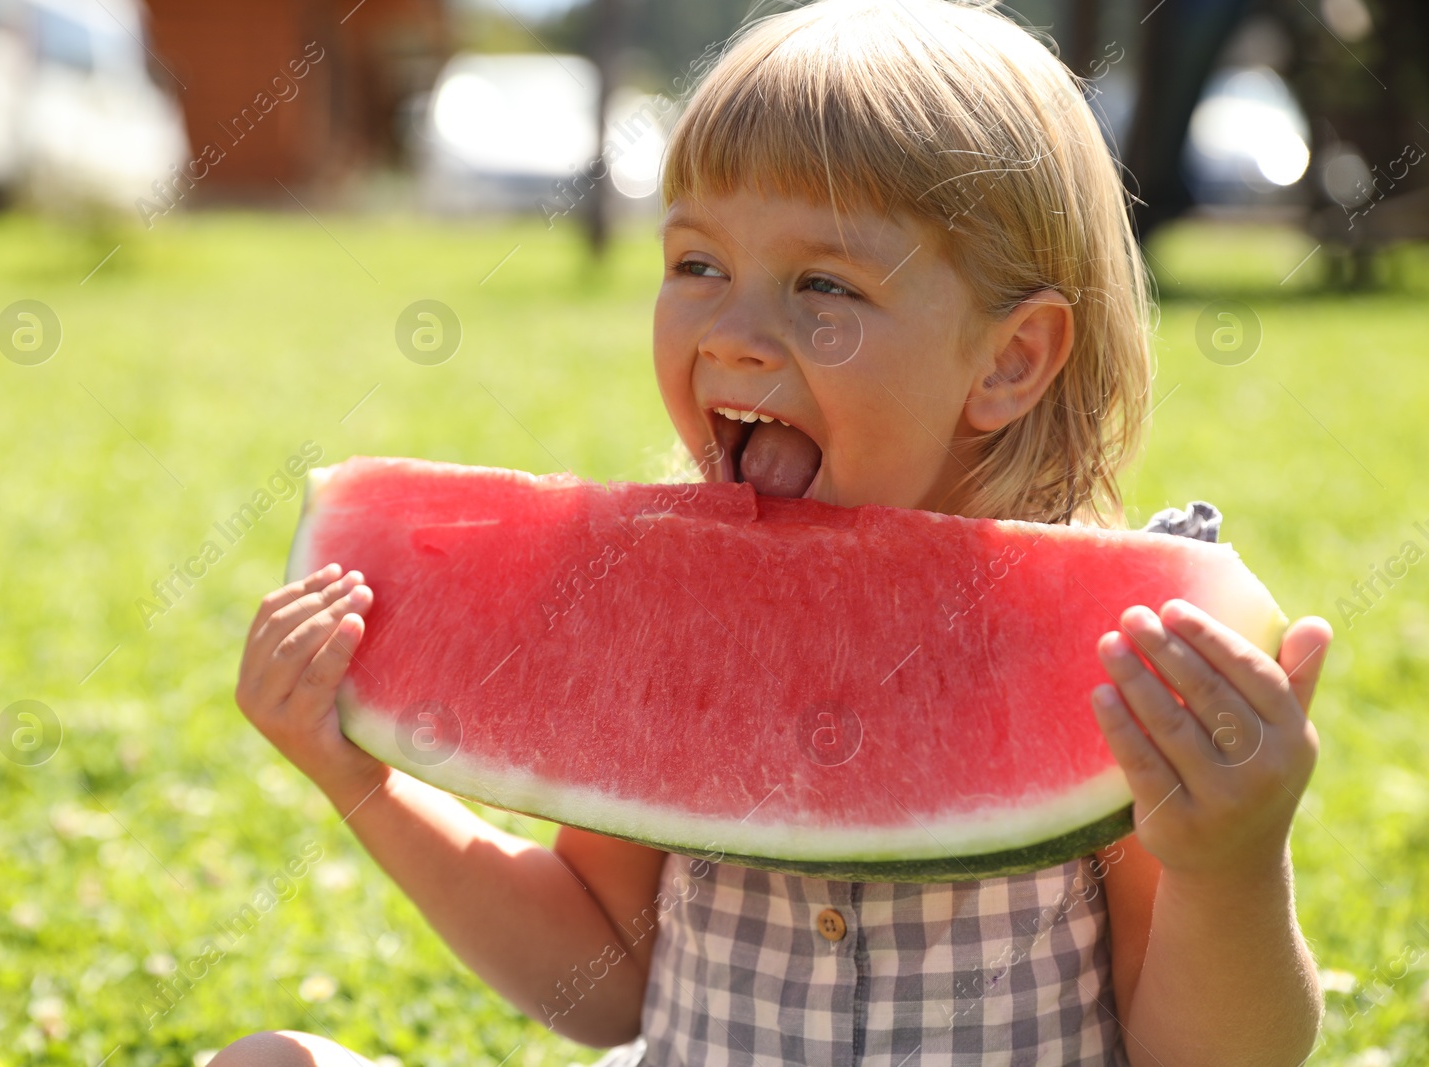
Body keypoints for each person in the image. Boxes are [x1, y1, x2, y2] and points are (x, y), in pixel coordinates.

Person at [212, 1, 1332, 1062]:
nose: (735, 333)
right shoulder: (658, 596)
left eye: (822, 283)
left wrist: (1226, 869)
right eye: (697, 263)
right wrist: (356, 771)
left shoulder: (1121, 661)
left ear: (1009, 359)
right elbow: (599, 979)